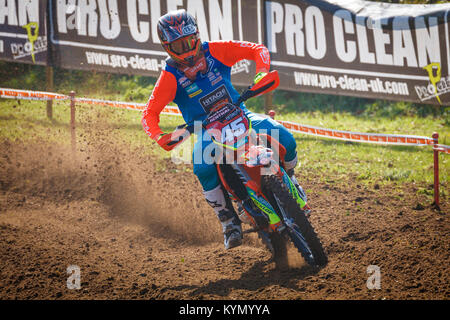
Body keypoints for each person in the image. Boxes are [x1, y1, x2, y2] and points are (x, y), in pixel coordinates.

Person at [142, 9, 307, 250]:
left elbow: (256, 49)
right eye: (179, 46)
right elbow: (149, 113)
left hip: (240, 114)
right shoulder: (169, 76)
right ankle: (229, 221)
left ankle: (291, 180)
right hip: (206, 129)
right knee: (202, 167)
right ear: (167, 47)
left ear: (197, 36)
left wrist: (261, 72)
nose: (187, 50)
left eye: (189, 42)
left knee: (284, 137)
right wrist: (159, 135)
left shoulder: (215, 51)